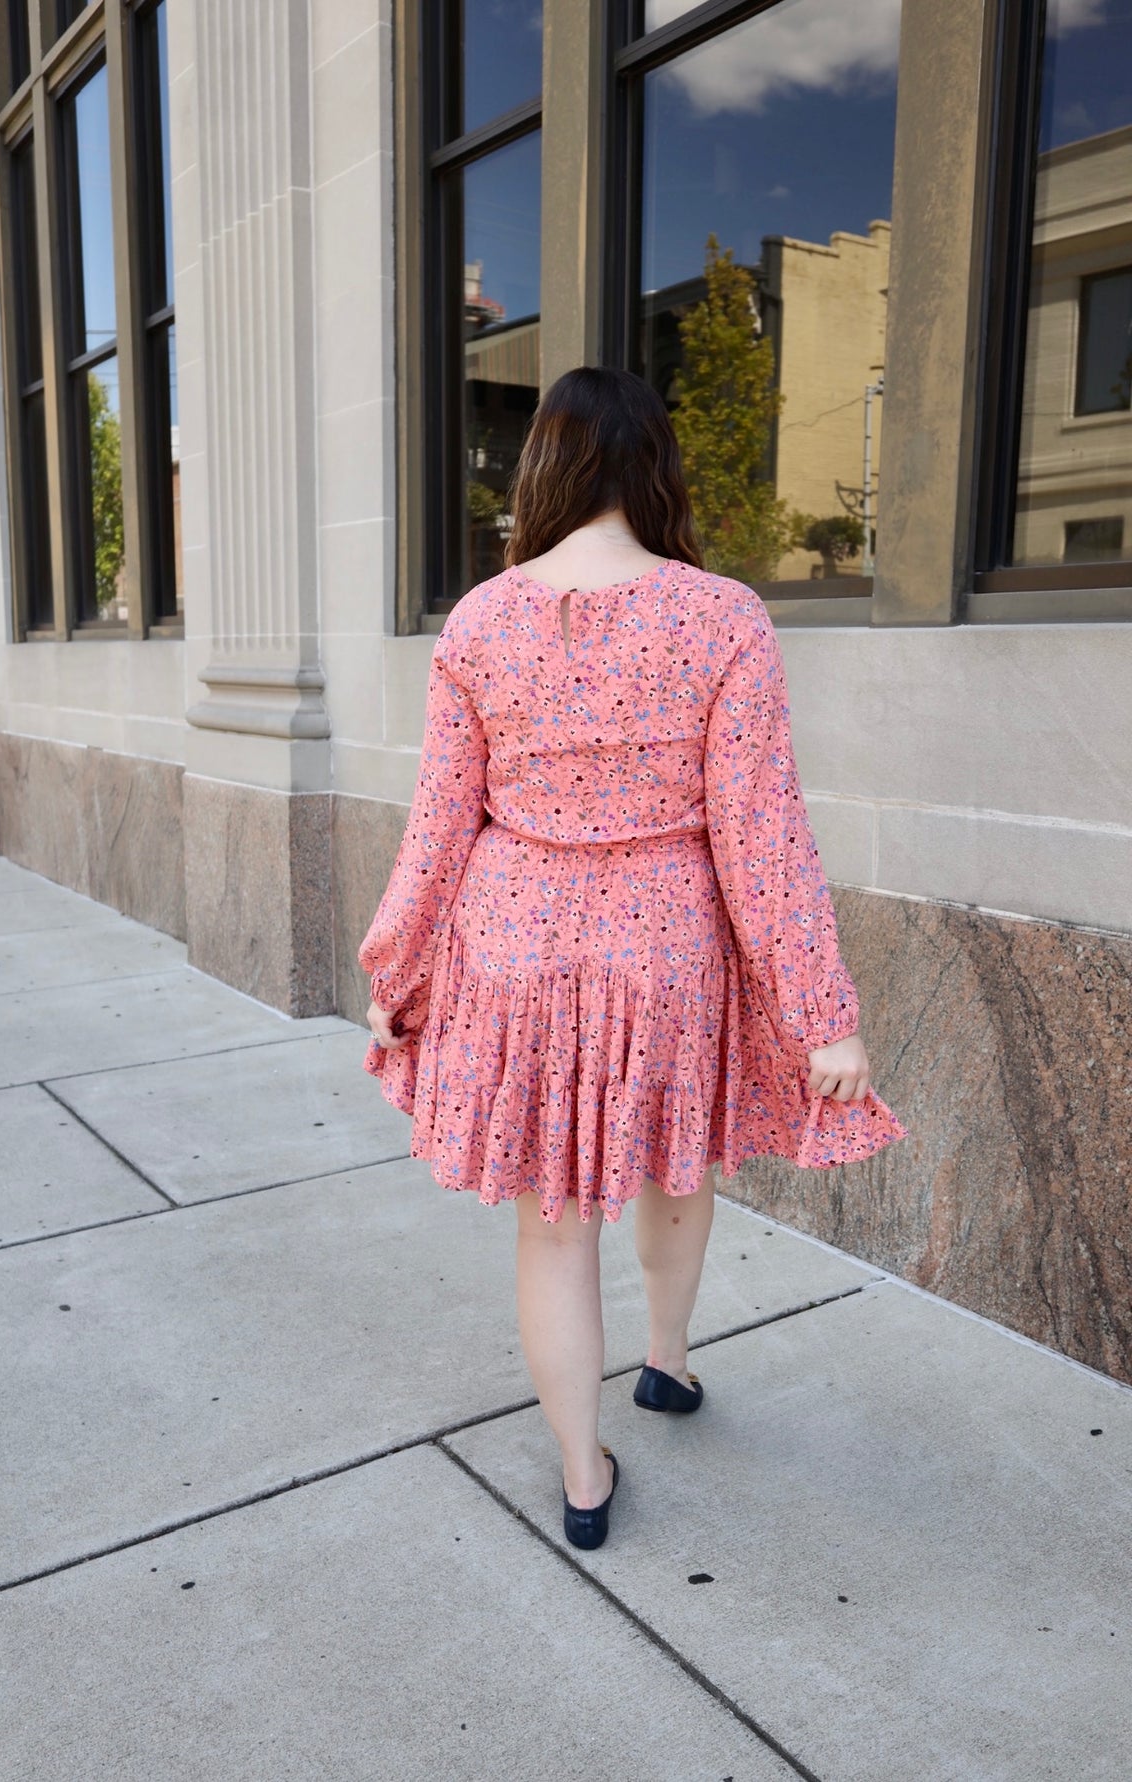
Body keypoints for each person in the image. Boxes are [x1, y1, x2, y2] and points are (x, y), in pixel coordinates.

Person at [358, 366, 907, 1551]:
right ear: (658, 468)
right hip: (665, 949)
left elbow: (437, 827)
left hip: (514, 949)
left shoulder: (481, 618)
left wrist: (395, 978)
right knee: (674, 1165)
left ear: (543, 470)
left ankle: (582, 1477)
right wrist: (825, 1016)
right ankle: (666, 1363)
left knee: (550, 1224)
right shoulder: (721, 616)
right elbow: (763, 835)